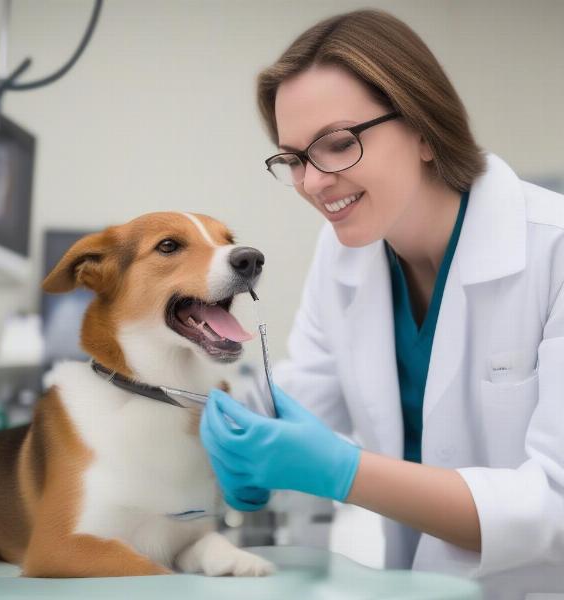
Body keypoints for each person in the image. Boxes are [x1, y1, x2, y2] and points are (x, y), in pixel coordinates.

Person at [199, 9, 564, 599]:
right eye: (293, 158)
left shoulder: (553, 251)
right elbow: (304, 399)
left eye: (338, 144)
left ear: (423, 127)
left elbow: (556, 507)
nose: (312, 182)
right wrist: (230, 424)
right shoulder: (345, 254)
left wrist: (344, 473)